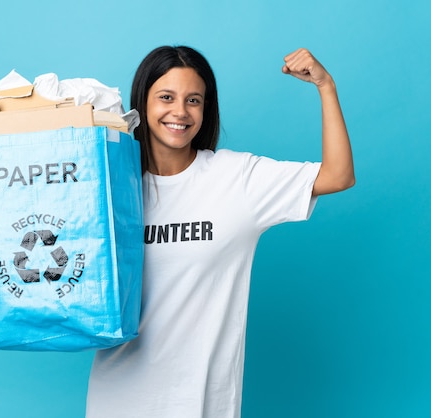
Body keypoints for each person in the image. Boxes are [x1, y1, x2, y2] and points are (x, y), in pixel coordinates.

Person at [85, 45, 355, 418]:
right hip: (117, 398)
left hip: (203, 403)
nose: (180, 112)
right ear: (142, 102)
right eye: (166, 97)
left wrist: (326, 86)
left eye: (193, 100)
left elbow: (338, 175)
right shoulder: (113, 187)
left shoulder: (237, 179)